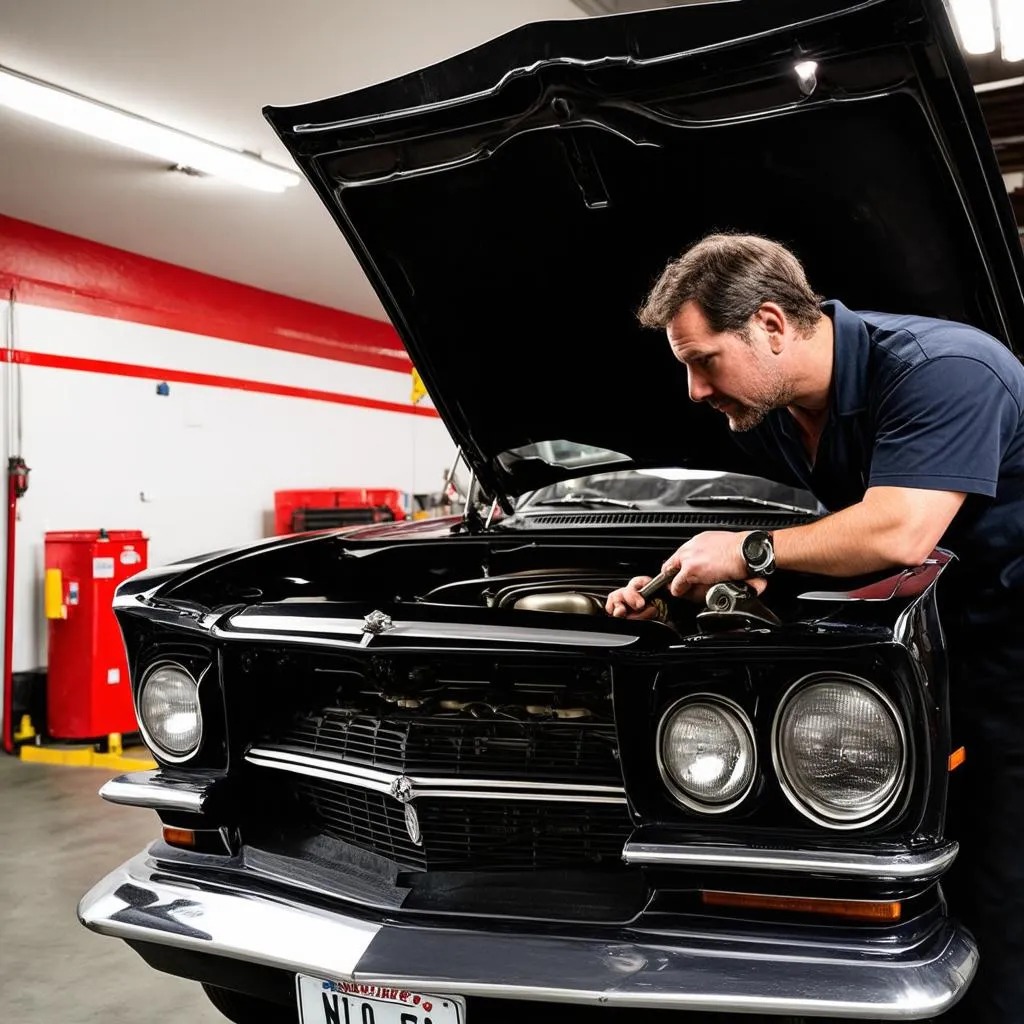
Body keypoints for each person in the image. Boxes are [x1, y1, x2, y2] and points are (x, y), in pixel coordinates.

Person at [605, 233, 1024, 1022]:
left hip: (1013, 647)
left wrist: (750, 549)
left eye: (702, 360)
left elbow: (897, 531)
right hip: (936, 649)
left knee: (1006, 884)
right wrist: (688, 583)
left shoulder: (945, 371)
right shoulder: (773, 413)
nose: (694, 390)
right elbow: (822, 542)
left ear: (770, 324)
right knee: (935, 871)